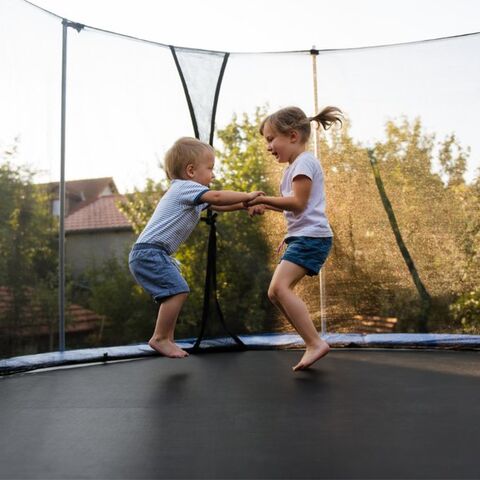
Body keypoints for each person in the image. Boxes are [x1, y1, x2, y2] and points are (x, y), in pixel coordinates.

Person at [129, 137, 264, 359]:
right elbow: (219, 196)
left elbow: (219, 204)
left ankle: (166, 338)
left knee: (174, 292)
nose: (214, 174)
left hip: (150, 253)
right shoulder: (184, 188)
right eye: (210, 168)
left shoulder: (188, 193)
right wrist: (248, 195)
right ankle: (161, 337)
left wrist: (244, 205)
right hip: (149, 253)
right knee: (178, 290)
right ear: (191, 171)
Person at [246, 106, 343, 371]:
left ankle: (314, 342)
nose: (268, 147)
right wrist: (268, 207)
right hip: (304, 237)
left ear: (292, 136)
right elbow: (296, 207)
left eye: (270, 139)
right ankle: (312, 342)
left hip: (312, 238)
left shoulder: (304, 162)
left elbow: (298, 203)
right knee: (275, 292)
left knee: (279, 289)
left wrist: (264, 199)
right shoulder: (293, 168)